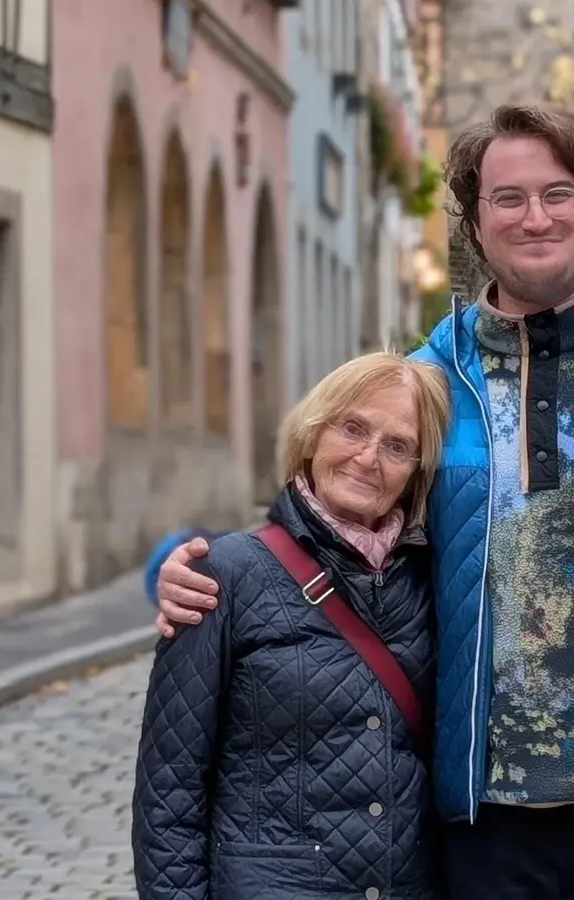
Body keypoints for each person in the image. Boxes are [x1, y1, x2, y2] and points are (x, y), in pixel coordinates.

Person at [147, 104, 574, 900]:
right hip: (485, 824)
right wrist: (187, 564)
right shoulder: (428, 380)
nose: (536, 216)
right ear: (474, 220)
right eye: (508, 197)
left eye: (559, 193)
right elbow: (321, 520)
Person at [131, 351, 451, 900]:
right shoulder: (225, 575)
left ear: (416, 473)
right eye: (353, 428)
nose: (368, 457)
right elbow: (170, 791)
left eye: (397, 446)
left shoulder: (434, 578)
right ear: (313, 432)